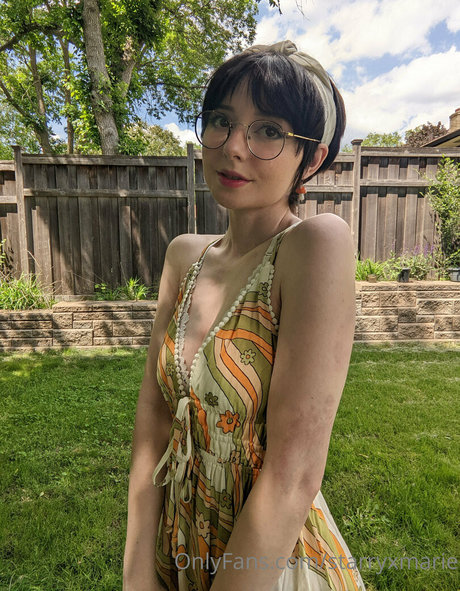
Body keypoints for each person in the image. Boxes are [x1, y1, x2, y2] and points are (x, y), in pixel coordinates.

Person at [123, 40, 366, 591]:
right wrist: (138, 577)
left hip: (266, 566)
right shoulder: (184, 257)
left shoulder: (314, 247)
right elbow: (153, 422)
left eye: (269, 130)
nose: (233, 146)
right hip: (179, 548)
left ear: (312, 158)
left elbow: (292, 475)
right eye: (221, 121)